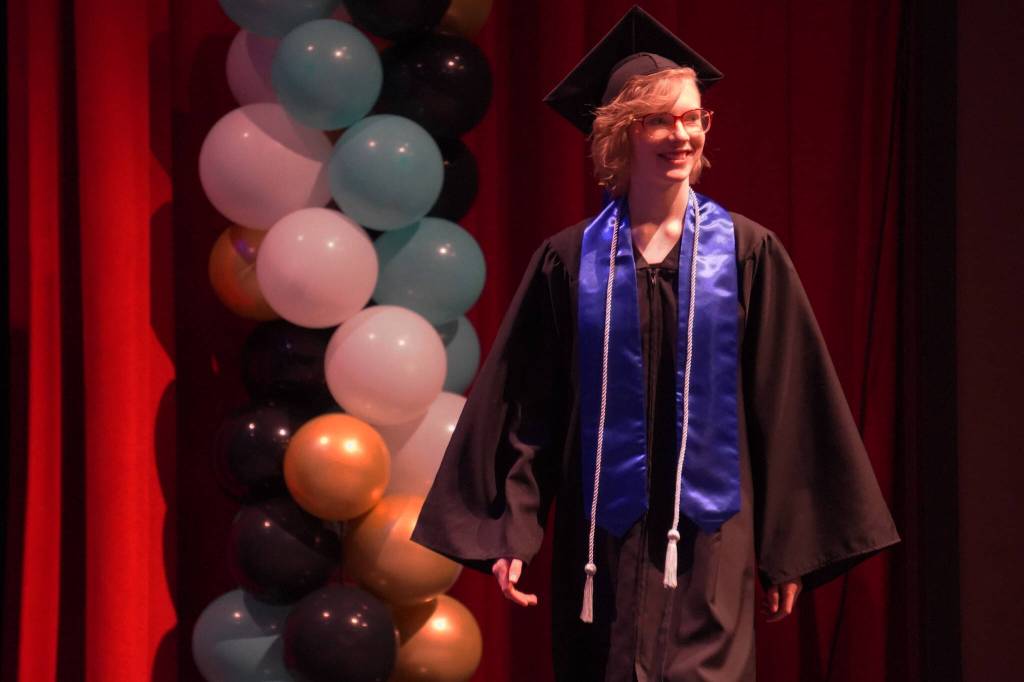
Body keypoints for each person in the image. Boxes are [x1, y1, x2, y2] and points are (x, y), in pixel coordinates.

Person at [411, 6, 899, 681]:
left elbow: (786, 400)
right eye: (660, 120)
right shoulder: (569, 261)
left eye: (693, 117)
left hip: (713, 543)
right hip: (601, 547)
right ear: (618, 135)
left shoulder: (748, 254)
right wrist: (512, 528)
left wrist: (789, 548)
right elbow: (529, 404)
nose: (682, 134)